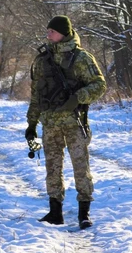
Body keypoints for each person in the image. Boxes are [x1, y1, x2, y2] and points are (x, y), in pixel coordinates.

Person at [25, 15, 107, 230]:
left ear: (64, 33)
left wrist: (77, 98)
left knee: (81, 167)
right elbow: (36, 96)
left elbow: (99, 85)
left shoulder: (81, 58)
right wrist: (31, 125)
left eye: (52, 31)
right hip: (50, 123)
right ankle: (55, 212)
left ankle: (84, 213)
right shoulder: (42, 60)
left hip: (74, 122)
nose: (48, 34)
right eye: (48, 31)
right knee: (52, 168)